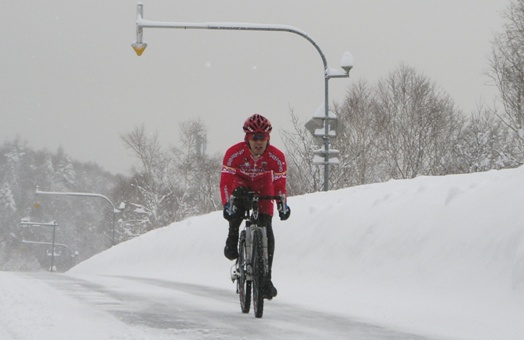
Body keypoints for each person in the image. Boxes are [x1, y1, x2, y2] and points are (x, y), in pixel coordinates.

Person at [219, 113, 290, 299]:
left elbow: (280, 185)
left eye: (263, 138)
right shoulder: (234, 153)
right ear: (247, 139)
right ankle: (233, 234)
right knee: (238, 203)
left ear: (268, 138)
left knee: (266, 226)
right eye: (254, 138)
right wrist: (228, 205)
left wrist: (283, 204)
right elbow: (226, 182)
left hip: (263, 183)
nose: (259, 143)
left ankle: (266, 278)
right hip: (240, 182)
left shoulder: (276, 157)